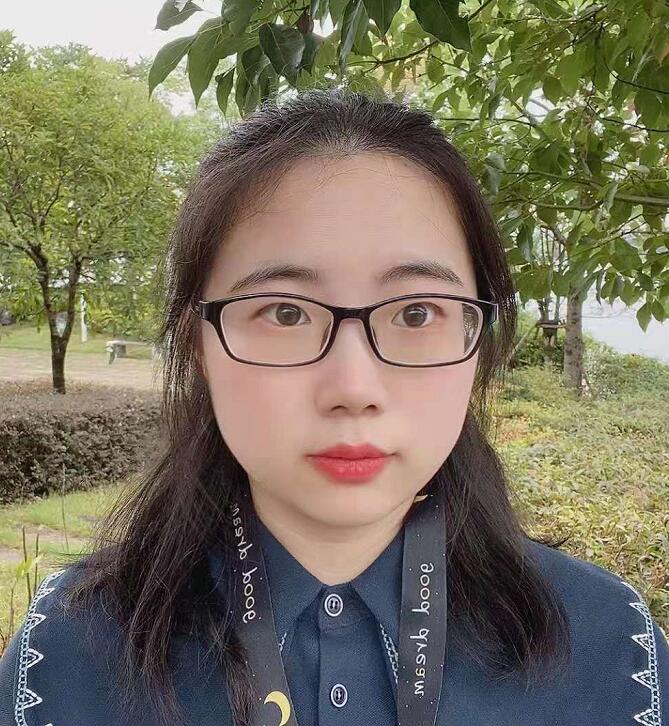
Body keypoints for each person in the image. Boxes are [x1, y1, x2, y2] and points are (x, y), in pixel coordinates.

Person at [0, 87, 667, 726]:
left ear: (477, 341)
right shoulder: (66, 656)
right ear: (197, 343)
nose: (354, 386)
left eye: (416, 312)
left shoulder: (612, 652)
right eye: (285, 312)